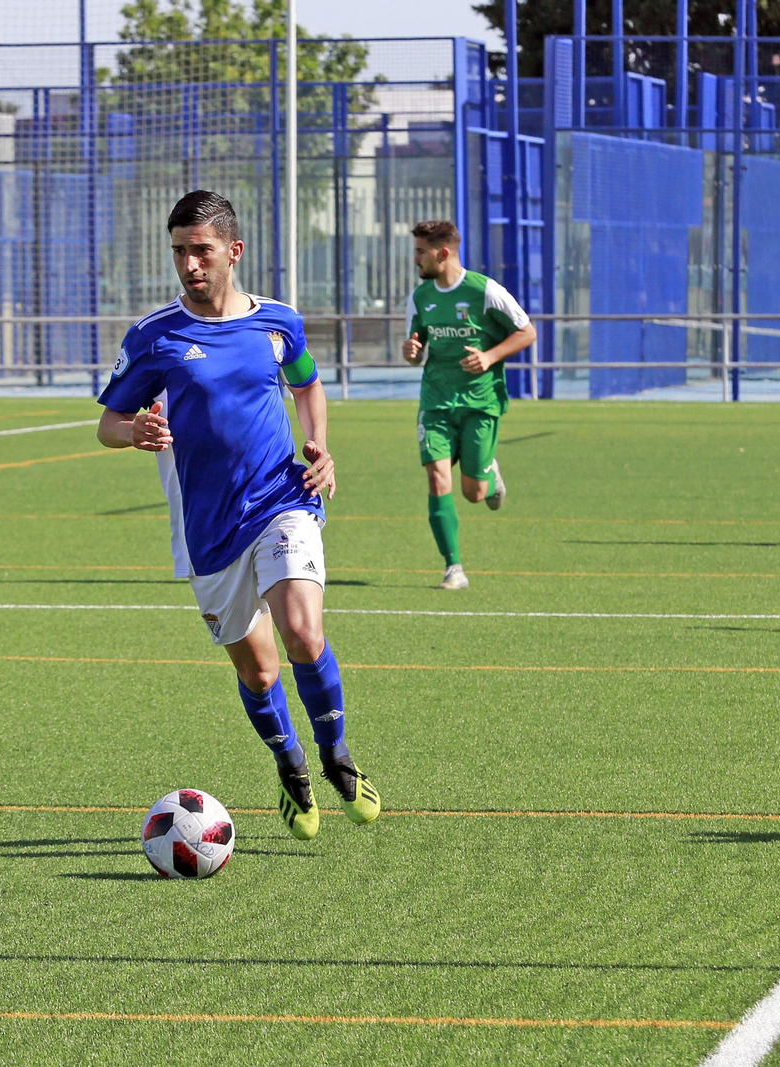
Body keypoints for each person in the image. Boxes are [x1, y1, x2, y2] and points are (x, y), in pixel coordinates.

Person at [96, 190, 380, 841]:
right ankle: (291, 765)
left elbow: (307, 385)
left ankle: (337, 758)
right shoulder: (154, 336)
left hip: (283, 499)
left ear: (233, 251)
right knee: (258, 671)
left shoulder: (278, 322)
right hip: (209, 529)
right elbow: (108, 423)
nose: (189, 263)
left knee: (304, 632)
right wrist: (132, 433)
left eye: (201, 250)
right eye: (179, 251)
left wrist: (321, 444)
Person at [401, 219, 536, 589]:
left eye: (420, 252)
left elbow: (527, 332)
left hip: (480, 400)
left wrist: (490, 357)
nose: (415, 259)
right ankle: (453, 568)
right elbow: (416, 349)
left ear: (443, 253)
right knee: (436, 476)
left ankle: (489, 476)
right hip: (437, 400)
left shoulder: (486, 290)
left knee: (474, 492)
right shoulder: (421, 297)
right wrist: (412, 352)